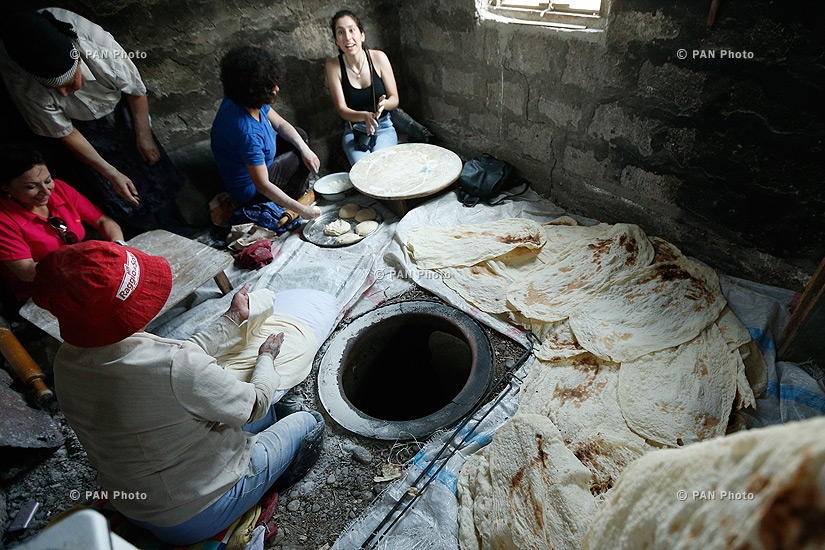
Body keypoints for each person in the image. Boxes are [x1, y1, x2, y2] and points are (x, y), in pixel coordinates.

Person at [31, 241, 325, 545]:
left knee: (266, 413)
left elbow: (174, 360)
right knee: (307, 420)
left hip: (133, 502)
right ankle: (259, 489)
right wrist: (266, 357)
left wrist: (233, 319)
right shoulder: (175, 366)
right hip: (197, 511)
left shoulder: (65, 362)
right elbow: (254, 404)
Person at [0, 8, 185, 237]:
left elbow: (136, 91)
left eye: (69, 84)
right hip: (82, 130)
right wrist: (110, 172)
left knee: (150, 166)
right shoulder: (18, 75)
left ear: (78, 61)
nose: (64, 93)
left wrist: (144, 135)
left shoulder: (96, 46)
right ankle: (143, 234)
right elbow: (63, 130)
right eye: (54, 89)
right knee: (115, 189)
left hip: (120, 112)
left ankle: (176, 225)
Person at [211, 45, 321, 224]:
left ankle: (292, 187)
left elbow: (282, 124)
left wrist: (305, 149)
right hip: (252, 190)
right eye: (270, 86)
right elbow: (262, 185)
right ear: (253, 89)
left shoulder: (245, 99)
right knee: (297, 159)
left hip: (259, 164)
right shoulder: (247, 132)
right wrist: (301, 209)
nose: (276, 89)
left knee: (300, 138)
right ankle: (292, 197)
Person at [0, 144, 123, 304]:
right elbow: (26, 271)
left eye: (48, 180)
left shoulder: (60, 189)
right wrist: (82, 266)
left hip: (83, 272)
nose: (46, 191)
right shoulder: (4, 219)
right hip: (43, 292)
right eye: (31, 187)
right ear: (6, 188)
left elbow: (103, 221)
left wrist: (118, 246)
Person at [325, 10, 400, 166]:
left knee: (381, 164)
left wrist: (384, 104)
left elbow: (395, 99)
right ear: (336, 41)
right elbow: (342, 110)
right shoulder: (333, 66)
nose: (347, 37)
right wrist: (364, 116)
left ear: (362, 35)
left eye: (352, 30)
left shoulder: (379, 57)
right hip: (355, 131)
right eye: (341, 32)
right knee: (363, 169)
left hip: (383, 127)